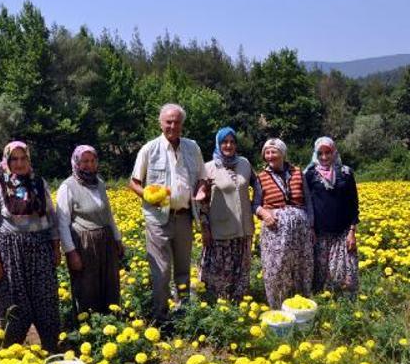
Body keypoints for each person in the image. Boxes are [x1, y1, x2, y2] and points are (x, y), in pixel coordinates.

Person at [129, 103, 205, 322]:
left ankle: (183, 312)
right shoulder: (149, 149)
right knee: (161, 272)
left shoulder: (193, 147)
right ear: (160, 123)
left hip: (184, 216)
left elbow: (201, 177)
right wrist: (148, 196)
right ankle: (160, 317)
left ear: (182, 124)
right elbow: (133, 182)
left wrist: (201, 190)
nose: (173, 126)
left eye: (177, 122)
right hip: (158, 218)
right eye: (168, 122)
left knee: (183, 269)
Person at [0, 141, 61, 351]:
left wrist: (55, 246)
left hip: (41, 248)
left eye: (23, 158)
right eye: (14, 159)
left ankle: (51, 348)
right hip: (11, 253)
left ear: (29, 159)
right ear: (7, 161)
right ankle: (10, 353)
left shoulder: (38, 183)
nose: (19, 163)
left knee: (46, 300)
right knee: (15, 304)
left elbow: (51, 216)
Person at [56, 145, 124, 315]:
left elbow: (108, 214)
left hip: (105, 240)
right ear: (76, 163)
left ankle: (110, 321)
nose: (90, 165)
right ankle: (88, 326)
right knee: (87, 287)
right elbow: (62, 223)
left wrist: (117, 239)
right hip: (83, 243)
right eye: (85, 161)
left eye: (93, 161)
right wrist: (71, 253)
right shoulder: (68, 187)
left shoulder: (99, 183)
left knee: (109, 284)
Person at [252, 138, 314, 309]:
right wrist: (264, 214)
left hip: (300, 231)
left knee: (302, 266)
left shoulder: (297, 173)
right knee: (277, 267)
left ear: (283, 153)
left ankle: (301, 304)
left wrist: (311, 226)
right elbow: (255, 204)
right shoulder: (261, 177)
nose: (270, 156)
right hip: (275, 231)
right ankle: (278, 305)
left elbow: (308, 202)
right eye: (267, 152)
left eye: (274, 151)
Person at [198, 127, 255, 301]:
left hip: (243, 229)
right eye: (224, 142)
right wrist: (204, 227)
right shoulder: (208, 168)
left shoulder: (245, 163)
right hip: (220, 231)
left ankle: (239, 306)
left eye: (232, 142)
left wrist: (260, 207)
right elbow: (201, 201)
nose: (228, 145)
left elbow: (259, 186)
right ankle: (219, 307)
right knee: (220, 274)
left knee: (241, 271)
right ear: (218, 143)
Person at [304, 137, 360, 295]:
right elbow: (306, 203)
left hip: (343, 232)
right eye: (320, 153)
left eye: (328, 152)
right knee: (322, 273)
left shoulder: (346, 173)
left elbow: (353, 204)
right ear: (316, 154)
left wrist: (352, 231)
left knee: (346, 272)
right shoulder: (309, 175)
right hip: (320, 233)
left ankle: (346, 302)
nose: (324, 157)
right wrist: (310, 229)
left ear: (334, 152)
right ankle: (325, 302)